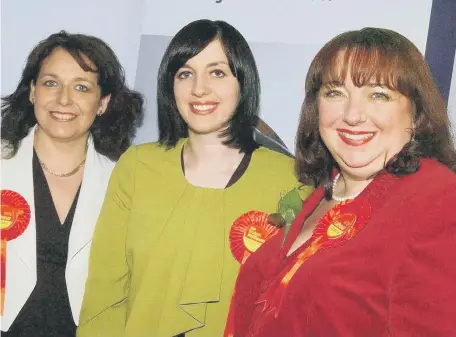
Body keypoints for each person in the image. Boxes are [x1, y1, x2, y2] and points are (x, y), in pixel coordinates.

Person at [77, 19, 312, 337]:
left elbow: (289, 306)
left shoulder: (291, 182)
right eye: (185, 73)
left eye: (217, 72)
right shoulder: (136, 167)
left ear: (242, 81)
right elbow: (105, 292)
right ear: (169, 86)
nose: (199, 88)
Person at [224, 27, 456, 337]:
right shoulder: (319, 195)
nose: (353, 115)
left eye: (378, 94)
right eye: (335, 92)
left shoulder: (438, 200)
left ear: (415, 112)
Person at [1, 31, 144, 337]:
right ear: (31, 91)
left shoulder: (124, 179)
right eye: (51, 83)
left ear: (102, 102)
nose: (63, 99)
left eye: (81, 87)